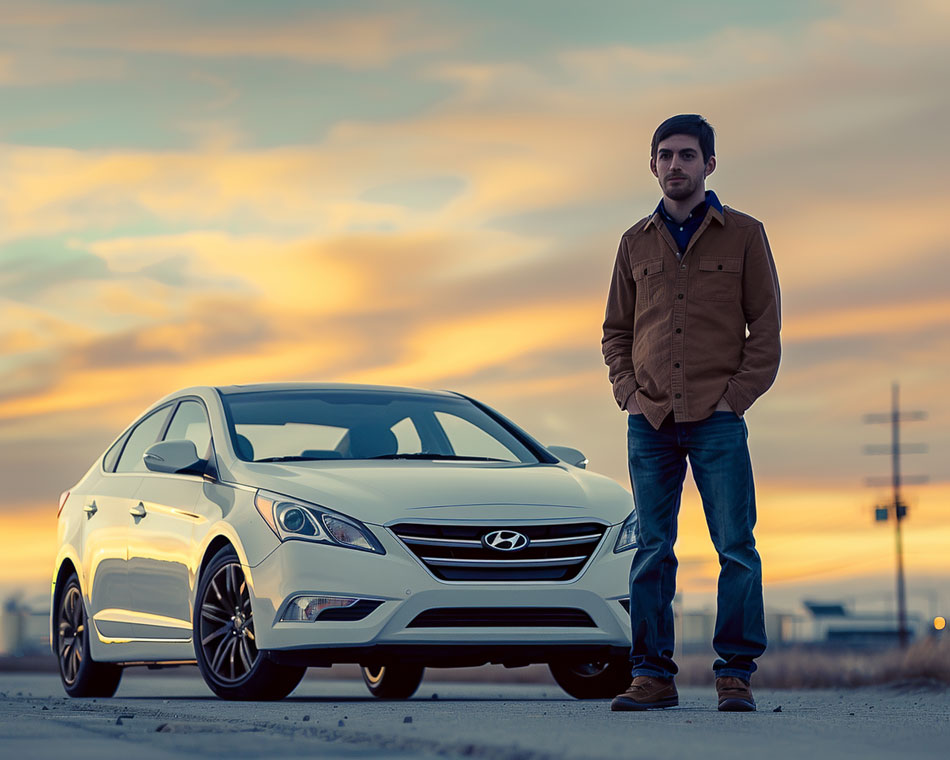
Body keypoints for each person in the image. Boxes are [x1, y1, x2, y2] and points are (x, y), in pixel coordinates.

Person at [601, 114, 781, 712]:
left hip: (718, 416)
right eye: (665, 155)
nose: (675, 165)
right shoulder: (634, 243)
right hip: (648, 419)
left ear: (709, 163)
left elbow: (767, 332)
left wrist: (734, 398)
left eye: (687, 155)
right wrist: (628, 391)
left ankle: (735, 675)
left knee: (736, 546)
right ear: (652, 165)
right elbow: (615, 333)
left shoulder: (747, 236)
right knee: (653, 549)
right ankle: (652, 675)